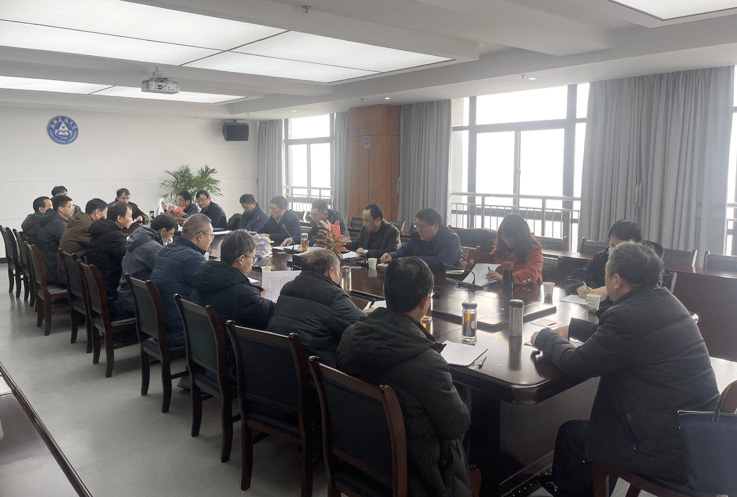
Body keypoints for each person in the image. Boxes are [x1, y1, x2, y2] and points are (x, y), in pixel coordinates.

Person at [531, 242, 719, 496]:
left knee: (572, 436)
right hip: (698, 439)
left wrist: (545, 337)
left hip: (666, 450)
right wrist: (573, 328)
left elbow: (577, 364)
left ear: (616, 280)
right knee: (588, 431)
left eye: (606, 273)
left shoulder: (628, 316)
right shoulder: (666, 301)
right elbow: (624, 337)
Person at [337, 257, 472, 497]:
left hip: (359, 453)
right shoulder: (427, 363)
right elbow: (456, 426)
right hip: (416, 475)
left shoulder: (349, 337)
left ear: (384, 290)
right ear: (425, 301)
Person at [267, 248, 365, 367]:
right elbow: (365, 327)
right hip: (312, 370)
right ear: (331, 272)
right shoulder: (333, 296)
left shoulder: (288, 287)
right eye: (338, 273)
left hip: (277, 362)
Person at [191, 230, 275, 330]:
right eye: (253, 258)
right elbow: (275, 314)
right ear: (241, 259)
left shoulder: (203, 277)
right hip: (234, 340)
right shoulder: (244, 295)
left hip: (204, 337)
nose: (253, 263)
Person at [565, 220, 664, 305]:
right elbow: (576, 277)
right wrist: (579, 287)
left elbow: (649, 293)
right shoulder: (602, 257)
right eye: (612, 245)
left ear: (637, 246)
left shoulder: (648, 264)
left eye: (621, 247)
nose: (614, 251)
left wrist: (608, 290)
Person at [151, 213, 212, 347]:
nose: (211, 240)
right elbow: (210, 291)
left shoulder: (166, 250)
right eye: (210, 236)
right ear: (200, 236)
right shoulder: (193, 258)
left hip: (159, 322)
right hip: (178, 328)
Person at [115, 214, 178, 318]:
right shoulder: (152, 247)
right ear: (163, 231)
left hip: (126, 294)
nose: (170, 239)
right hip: (135, 301)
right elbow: (169, 273)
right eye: (171, 234)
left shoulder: (138, 238)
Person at [462, 213, 543, 286]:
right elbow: (486, 262)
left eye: (511, 237)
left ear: (521, 236)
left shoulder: (533, 250)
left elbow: (531, 273)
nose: (506, 240)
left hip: (528, 292)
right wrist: (469, 264)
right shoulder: (500, 249)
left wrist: (505, 278)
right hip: (501, 290)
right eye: (504, 236)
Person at [380, 208, 462, 270]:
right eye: (417, 226)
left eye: (422, 227)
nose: (418, 230)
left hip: (445, 281)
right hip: (420, 276)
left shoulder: (451, 239)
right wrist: (392, 255)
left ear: (435, 226)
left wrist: (413, 260)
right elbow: (405, 250)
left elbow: (442, 262)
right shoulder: (417, 237)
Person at [87, 202, 133, 300]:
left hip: (99, 278)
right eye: (129, 216)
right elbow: (128, 256)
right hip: (110, 284)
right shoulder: (114, 235)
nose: (131, 219)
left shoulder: (103, 229)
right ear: (119, 218)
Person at [36, 194, 74, 284]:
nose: (73, 209)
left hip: (48, 268)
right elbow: (69, 247)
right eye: (70, 206)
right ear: (60, 208)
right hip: (55, 273)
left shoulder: (52, 220)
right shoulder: (59, 225)